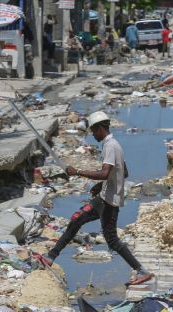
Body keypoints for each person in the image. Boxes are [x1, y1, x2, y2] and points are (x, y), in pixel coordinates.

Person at [36, 111, 154, 286]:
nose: (92, 134)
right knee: (77, 219)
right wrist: (101, 185)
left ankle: (141, 271)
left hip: (109, 201)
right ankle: (51, 257)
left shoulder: (111, 146)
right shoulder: (112, 144)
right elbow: (123, 171)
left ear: (100, 128)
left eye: (93, 131)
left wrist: (77, 171)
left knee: (112, 240)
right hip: (104, 196)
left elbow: (105, 172)